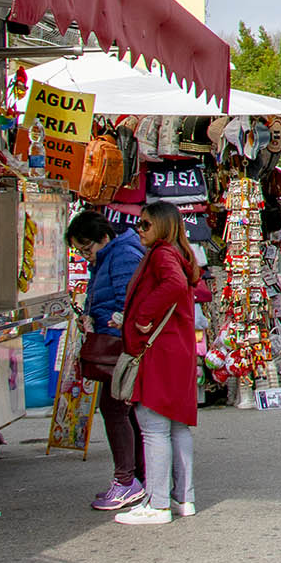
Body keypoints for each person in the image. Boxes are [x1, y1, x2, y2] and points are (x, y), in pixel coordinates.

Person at [114, 202, 210, 526]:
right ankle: (184, 498)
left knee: (153, 427)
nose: (138, 230)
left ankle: (157, 504)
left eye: (144, 225)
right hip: (177, 350)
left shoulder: (161, 254)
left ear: (162, 227)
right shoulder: (180, 254)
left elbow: (172, 285)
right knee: (177, 427)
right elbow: (189, 287)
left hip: (160, 351)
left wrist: (143, 317)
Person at [68, 211, 146, 510]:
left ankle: (126, 481)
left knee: (115, 411)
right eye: (81, 251)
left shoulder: (123, 253)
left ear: (105, 237)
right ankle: (136, 478)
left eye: (88, 248)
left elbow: (127, 301)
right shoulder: (111, 254)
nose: (86, 256)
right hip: (116, 344)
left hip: (120, 348)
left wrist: (111, 320)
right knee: (122, 412)